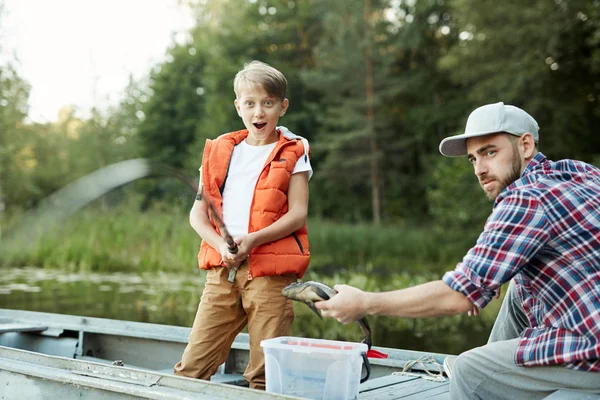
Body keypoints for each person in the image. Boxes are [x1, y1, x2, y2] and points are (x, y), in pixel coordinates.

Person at [315, 102, 600, 399]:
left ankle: (484, 385)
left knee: (468, 369)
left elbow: (459, 296)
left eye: (490, 152)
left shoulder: (525, 199)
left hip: (592, 349)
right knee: (519, 288)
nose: (480, 169)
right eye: (472, 159)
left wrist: (364, 302)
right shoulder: (577, 172)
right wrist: (503, 276)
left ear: (525, 145)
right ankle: (500, 384)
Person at [174, 60, 312, 390]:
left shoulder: (294, 151)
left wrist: (252, 240)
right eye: (249, 103)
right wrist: (222, 245)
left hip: (271, 277)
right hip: (222, 272)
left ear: (283, 106)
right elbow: (197, 216)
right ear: (238, 107)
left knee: (265, 377)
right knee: (191, 369)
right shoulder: (221, 151)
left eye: (268, 103)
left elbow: (297, 215)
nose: (258, 112)